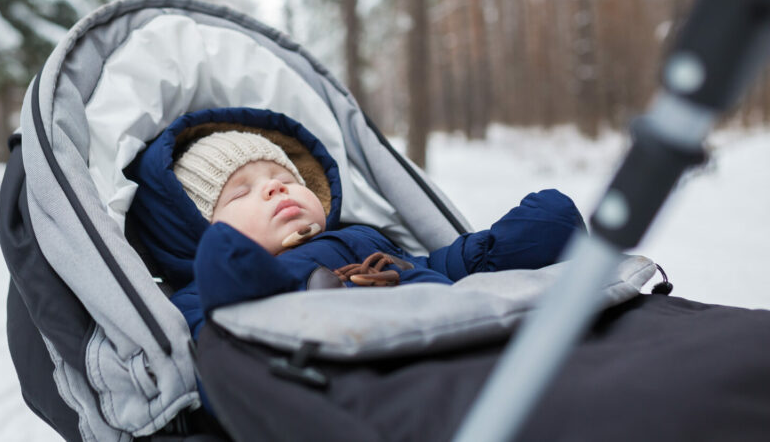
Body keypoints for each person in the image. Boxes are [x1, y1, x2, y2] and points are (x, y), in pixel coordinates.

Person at [129, 116, 586, 341]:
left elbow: (434, 266)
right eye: (240, 193)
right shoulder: (196, 299)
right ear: (195, 230)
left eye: (285, 179)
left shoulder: (363, 237)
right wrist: (269, 291)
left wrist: (499, 248)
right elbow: (219, 360)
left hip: (455, 330)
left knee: (547, 221)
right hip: (357, 378)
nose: (274, 190)